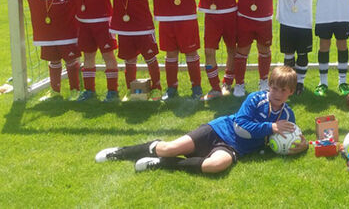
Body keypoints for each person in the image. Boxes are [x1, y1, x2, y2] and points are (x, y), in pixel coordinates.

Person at [95, 66, 307, 174]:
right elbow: (241, 126)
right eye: (274, 88)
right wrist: (271, 126)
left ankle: (162, 164)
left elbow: (287, 140)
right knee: (169, 147)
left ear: (291, 92)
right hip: (219, 130)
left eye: (283, 90)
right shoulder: (255, 99)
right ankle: (120, 152)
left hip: (234, 148)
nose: (277, 93)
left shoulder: (288, 115)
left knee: (216, 165)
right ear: (269, 86)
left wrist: (301, 146)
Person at [25, 0, 119, 101]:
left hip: (103, 21)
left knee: (108, 55)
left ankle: (112, 91)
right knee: (88, 56)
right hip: (82, 22)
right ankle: (89, 91)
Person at [9, 0, 80, 101]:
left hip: (68, 32)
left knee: (71, 61)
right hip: (46, 34)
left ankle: (75, 90)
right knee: (53, 61)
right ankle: (55, 91)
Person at [109, 0, 162, 101]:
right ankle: (131, 89)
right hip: (123, 28)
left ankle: (157, 88)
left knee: (150, 58)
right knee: (129, 59)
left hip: (143, 27)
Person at [193, 0, 240, 100]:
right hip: (211, 16)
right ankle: (214, 88)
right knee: (208, 51)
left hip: (230, 14)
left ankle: (227, 82)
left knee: (232, 49)